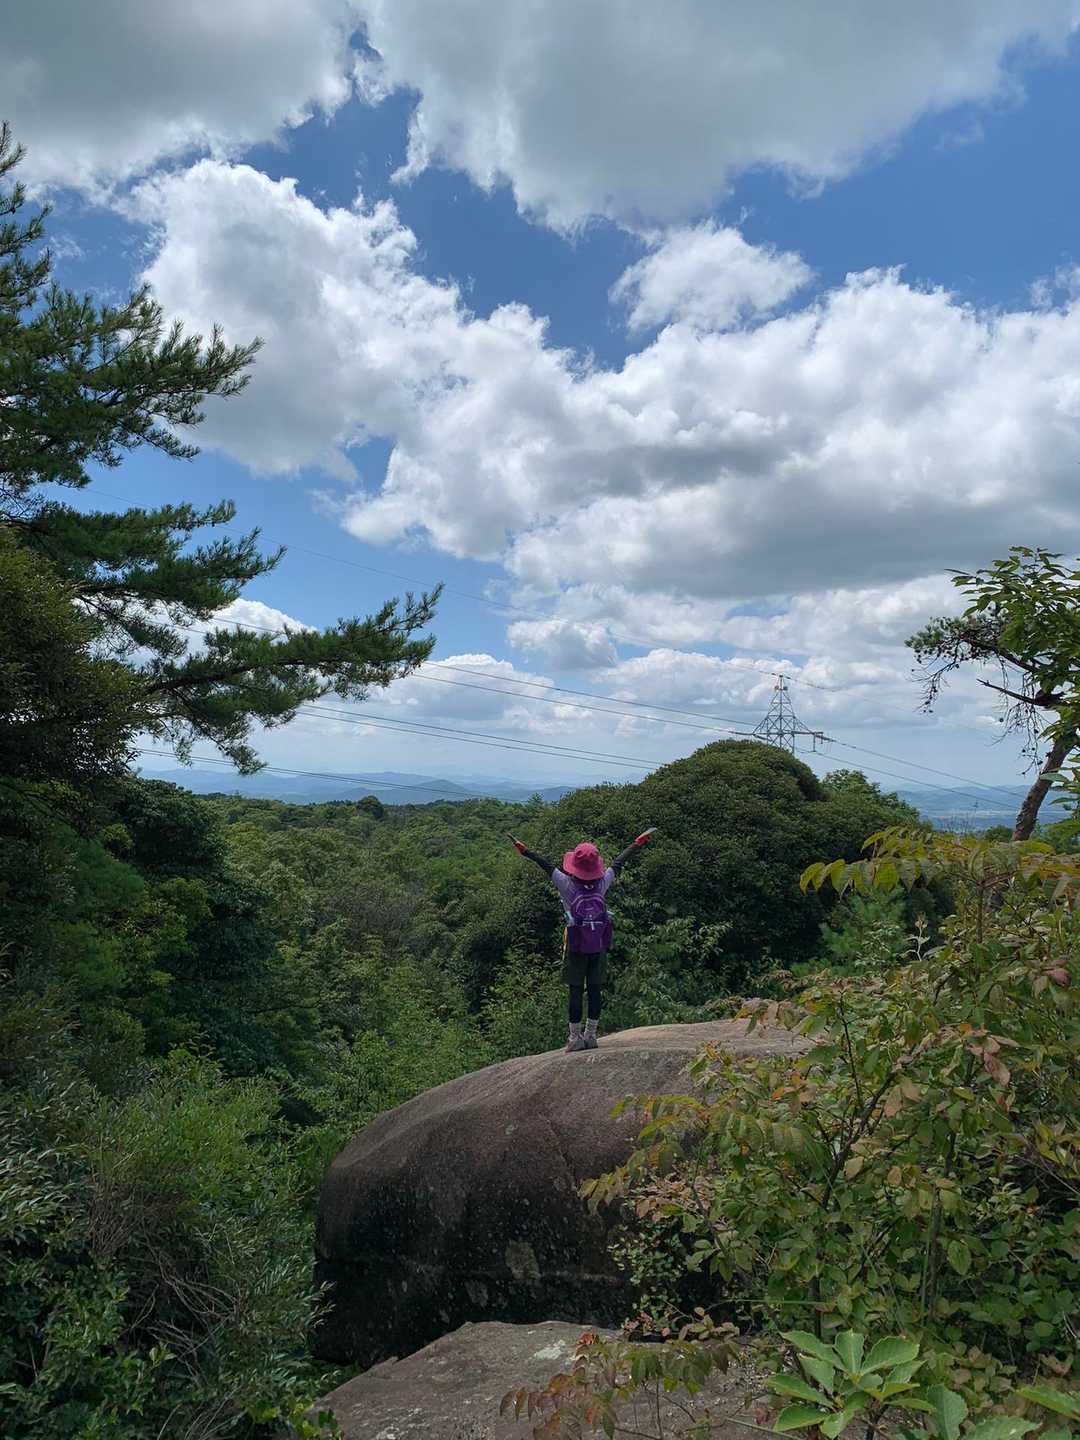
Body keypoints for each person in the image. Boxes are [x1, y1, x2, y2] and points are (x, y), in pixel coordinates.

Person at [508, 827, 658, 1053]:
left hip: (576, 945)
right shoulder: (602, 882)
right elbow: (618, 863)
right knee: (595, 990)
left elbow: (545, 865)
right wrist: (637, 843)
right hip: (598, 943)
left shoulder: (566, 884)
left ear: (574, 867)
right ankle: (591, 1035)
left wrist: (525, 850)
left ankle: (575, 1038)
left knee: (576, 990)